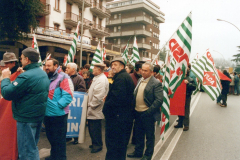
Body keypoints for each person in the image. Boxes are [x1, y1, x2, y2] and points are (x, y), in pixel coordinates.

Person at [1, 48, 50, 160]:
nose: (20, 60)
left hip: (26, 119)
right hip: (37, 116)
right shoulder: (42, 73)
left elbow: (7, 93)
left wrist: (6, 78)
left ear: (27, 59)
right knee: (32, 148)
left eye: (21, 58)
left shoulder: (26, 76)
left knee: (26, 152)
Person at [127, 62, 163, 160]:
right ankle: (138, 152)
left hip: (148, 114)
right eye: (142, 70)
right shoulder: (140, 80)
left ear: (151, 72)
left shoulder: (156, 83)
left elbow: (159, 100)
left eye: (145, 70)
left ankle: (148, 155)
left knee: (149, 137)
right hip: (137, 113)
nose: (142, 72)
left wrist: (148, 112)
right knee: (138, 134)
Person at [103, 57, 135, 160]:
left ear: (122, 66)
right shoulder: (122, 76)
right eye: (112, 65)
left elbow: (117, 99)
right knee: (120, 146)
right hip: (122, 117)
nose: (112, 67)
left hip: (117, 118)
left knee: (114, 145)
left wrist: (106, 105)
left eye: (115, 65)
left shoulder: (121, 78)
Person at [44, 58, 74, 160]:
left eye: (49, 66)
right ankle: (54, 156)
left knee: (59, 140)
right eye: (46, 65)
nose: (46, 68)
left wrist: (57, 106)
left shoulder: (63, 77)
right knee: (52, 138)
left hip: (59, 115)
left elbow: (68, 96)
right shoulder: (47, 77)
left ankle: (60, 158)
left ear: (56, 66)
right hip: (48, 114)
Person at [87, 63, 109, 153]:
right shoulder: (98, 78)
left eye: (94, 68)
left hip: (95, 108)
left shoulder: (101, 80)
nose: (92, 70)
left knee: (95, 128)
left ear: (99, 70)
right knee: (92, 127)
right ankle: (95, 143)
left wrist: (91, 105)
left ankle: (98, 145)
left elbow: (98, 96)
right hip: (93, 107)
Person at [65, 62, 86, 144]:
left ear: (73, 69)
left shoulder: (79, 78)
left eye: (68, 68)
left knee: (75, 119)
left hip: (75, 103)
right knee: (68, 120)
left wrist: (74, 94)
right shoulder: (65, 77)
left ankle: (76, 137)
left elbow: (82, 90)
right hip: (68, 103)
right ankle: (68, 136)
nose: (66, 69)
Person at [174, 64, 196, 131]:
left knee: (186, 111)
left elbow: (194, 87)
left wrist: (188, 83)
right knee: (180, 110)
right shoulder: (179, 79)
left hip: (187, 96)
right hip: (180, 96)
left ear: (187, 72)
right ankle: (180, 123)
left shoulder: (190, 79)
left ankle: (186, 125)